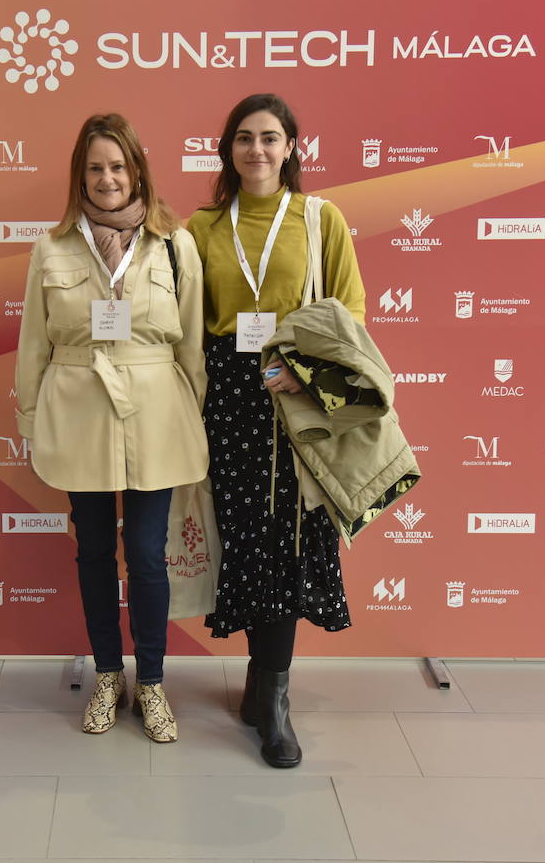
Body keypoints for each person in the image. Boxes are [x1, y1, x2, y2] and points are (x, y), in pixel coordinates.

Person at [15, 113, 207, 743]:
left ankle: (151, 681)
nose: (107, 179)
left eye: (118, 166)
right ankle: (107, 674)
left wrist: (194, 415)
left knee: (148, 555)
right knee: (94, 551)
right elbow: (33, 343)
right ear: (80, 176)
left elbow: (194, 344)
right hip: (78, 412)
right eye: (95, 168)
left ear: (136, 171)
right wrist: (28, 414)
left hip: (155, 414)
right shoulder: (52, 247)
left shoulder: (174, 245)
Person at [187, 93, 366, 768]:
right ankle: (261, 687)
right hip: (228, 397)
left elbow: (350, 309)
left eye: (269, 137)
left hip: (299, 393)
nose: (255, 150)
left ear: (291, 145)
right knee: (247, 537)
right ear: (227, 150)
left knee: (290, 539)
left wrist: (301, 367)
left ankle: (275, 699)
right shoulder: (203, 227)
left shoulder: (321, 219)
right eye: (243, 138)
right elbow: (186, 320)